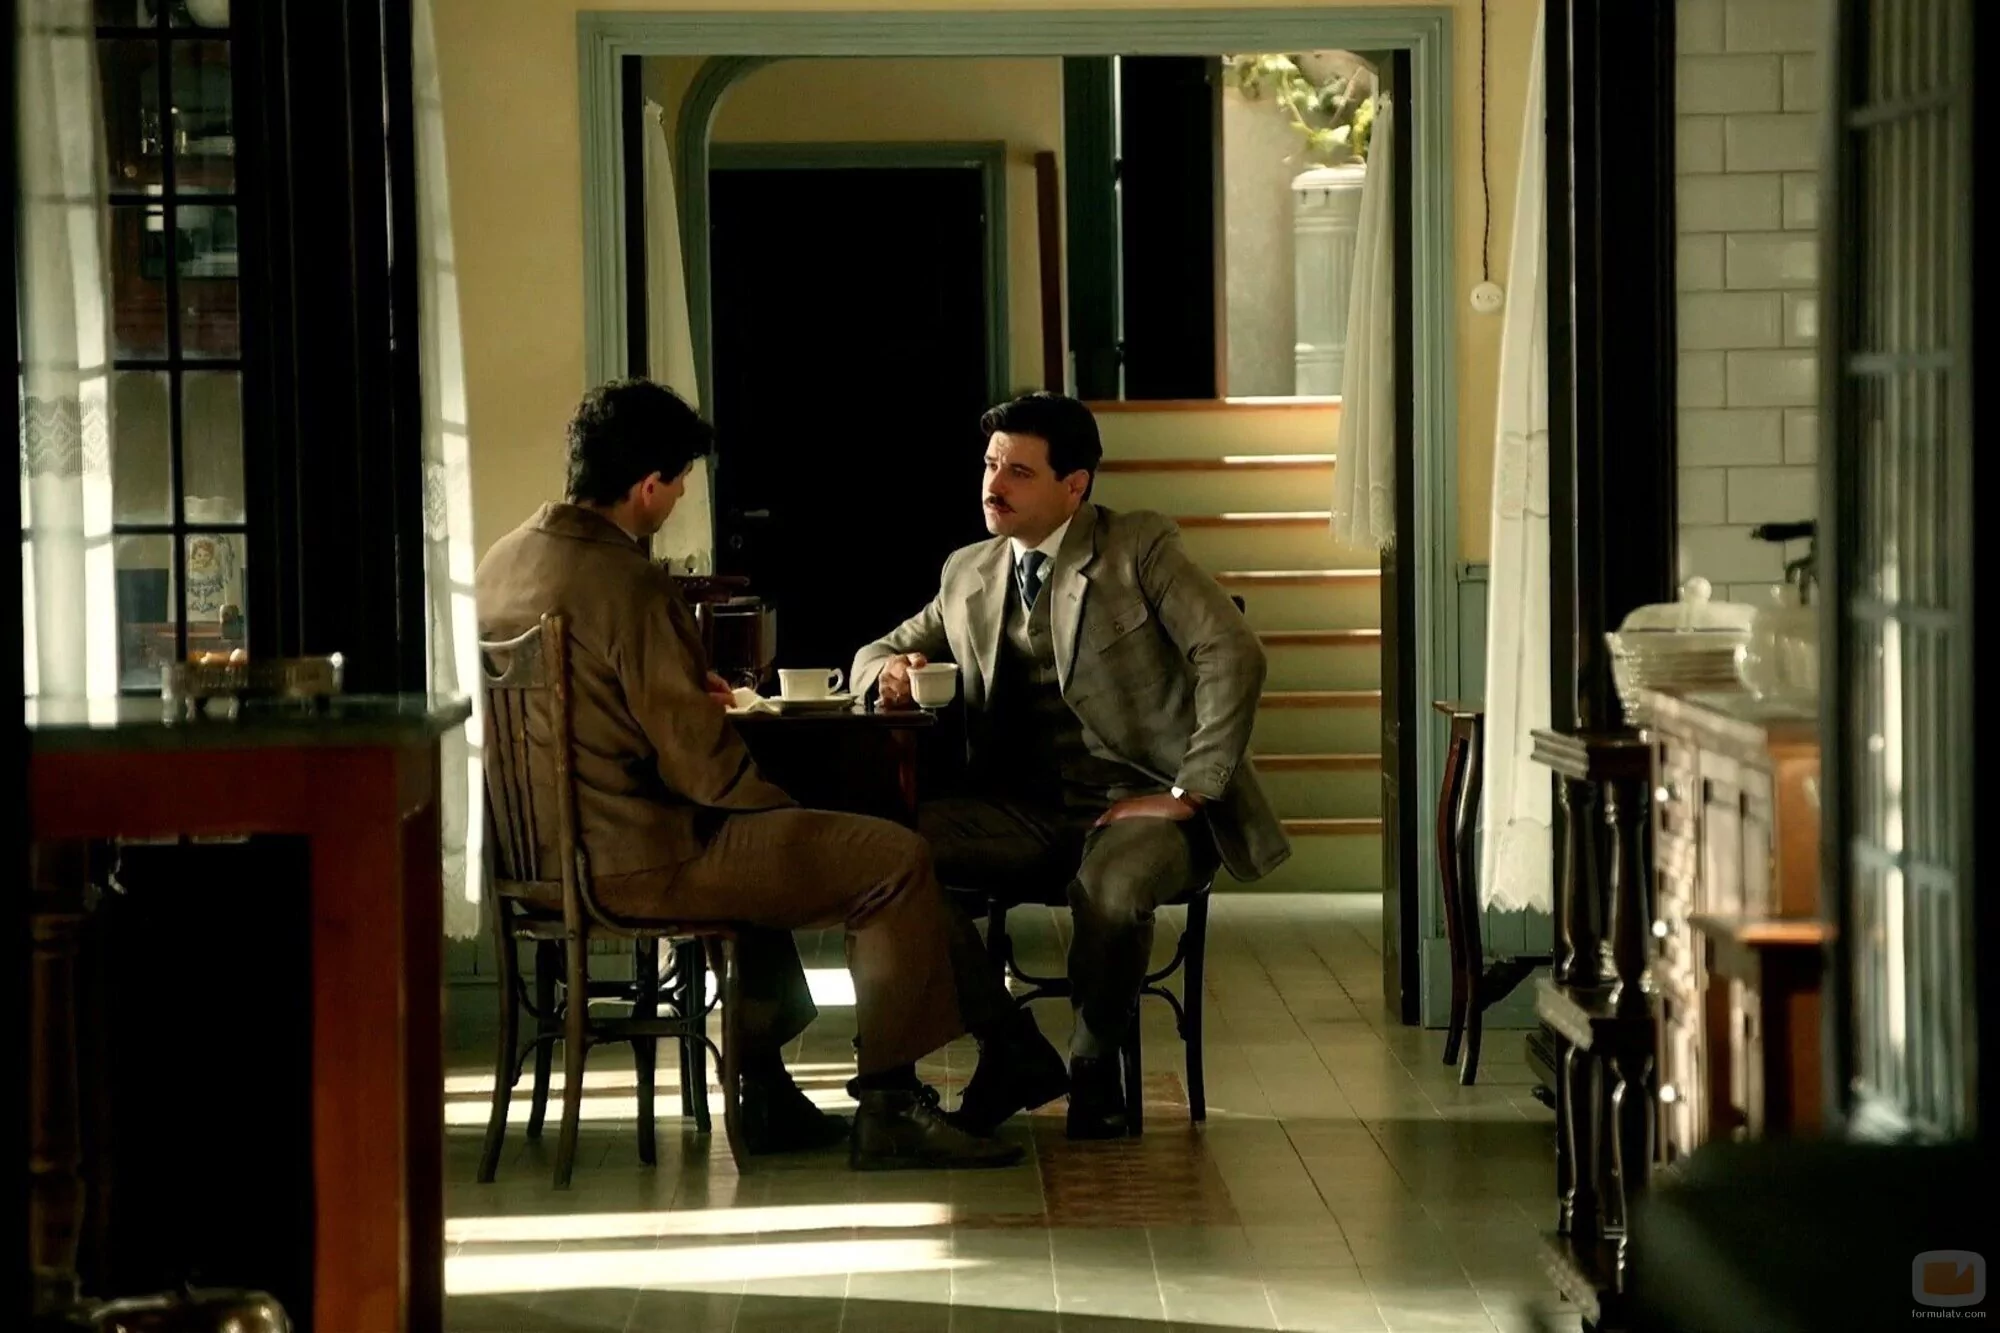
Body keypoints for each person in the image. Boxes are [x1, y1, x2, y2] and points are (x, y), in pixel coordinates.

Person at [475, 380, 1067, 1170]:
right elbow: (700, 764)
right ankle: (891, 1104)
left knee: (785, 849)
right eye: (679, 483)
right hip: (643, 859)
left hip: (544, 859)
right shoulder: (626, 580)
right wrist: (784, 803)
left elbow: (601, 711)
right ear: (649, 485)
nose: (677, 499)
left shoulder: (503, 562)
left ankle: (766, 1087)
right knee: (891, 857)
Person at [852, 392, 1290, 1139]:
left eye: (1019, 472)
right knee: (887, 858)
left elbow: (1232, 650)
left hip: (1143, 801)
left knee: (1112, 888)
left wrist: (1190, 789)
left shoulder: (1137, 547)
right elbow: (876, 652)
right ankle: (1008, 1046)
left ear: (1074, 486)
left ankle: (1093, 1065)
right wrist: (887, 674)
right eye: (990, 465)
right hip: (1022, 809)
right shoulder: (969, 571)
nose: (994, 486)